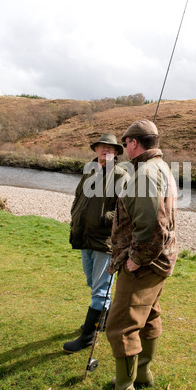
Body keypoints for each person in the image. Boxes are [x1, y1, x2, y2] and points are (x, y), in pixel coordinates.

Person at [105, 119, 178, 390]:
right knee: (149, 316)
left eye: (125, 144)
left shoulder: (145, 174)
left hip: (145, 264)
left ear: (134, 143)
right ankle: (143, 373)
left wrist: (136, 259)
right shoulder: (161, 167)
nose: (124, 148)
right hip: (161, 261)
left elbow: (152, 228)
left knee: (121, 325)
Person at [63, 133, 128, 353]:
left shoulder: (121, 176)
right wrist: (76, 217)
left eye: (110, 149)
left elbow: (124, 211)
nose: (105, 151)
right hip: (85, 237)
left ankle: (88, 336)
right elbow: (78, 198)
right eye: (102, 147)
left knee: (100, 290)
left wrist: (103, 219)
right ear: (96, 150)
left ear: (117, 153)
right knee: (93, 282)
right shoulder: (89, 171)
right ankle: (103, 319)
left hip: (104, 240)